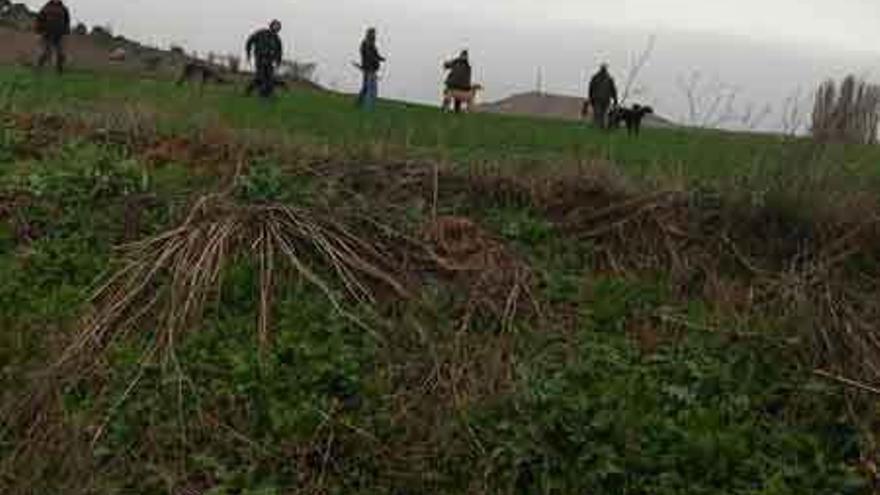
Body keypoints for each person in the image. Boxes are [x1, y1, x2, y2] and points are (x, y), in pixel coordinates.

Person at [245, 20, 283, 98]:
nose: (276, 28)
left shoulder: (277, 39)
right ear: (271, 26)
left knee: (270, 77)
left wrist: (278, 62)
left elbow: (279, 51)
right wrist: (248, 53)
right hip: (260, 58)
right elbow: (250, 41)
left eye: (278, 27)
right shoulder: (262, 33)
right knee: (261, 77)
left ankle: (267, 94)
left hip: (270, 60)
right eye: (275, 26)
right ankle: (262, 94)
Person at [34, 0, 71, 74]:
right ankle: (38, 69)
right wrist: (38, 32)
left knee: (60, 53)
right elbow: (39, 20)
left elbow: (67, 21)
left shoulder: (64, 9)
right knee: (45, 52)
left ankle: (59, 71)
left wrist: (66, 32)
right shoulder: (46, 8)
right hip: (46, 33)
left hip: (59, 34)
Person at [356, 27, 385, 110]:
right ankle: (368, 107)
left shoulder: (372, 44)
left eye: (374, 33)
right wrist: (375, 60)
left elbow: (375, 54)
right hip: (369, 69)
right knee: (371, 88)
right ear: (369, 34)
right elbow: (368, 56)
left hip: (371, 68)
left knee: (366, 87)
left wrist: (380, 58)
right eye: (373, 33)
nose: (374, 35)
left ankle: (359, 104)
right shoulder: (365, 44)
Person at [588, 63, 618, 130]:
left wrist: (615, 100)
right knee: (598, 114)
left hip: (606, 100)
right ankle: (597, 128)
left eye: (605, 68)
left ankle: (602, 128)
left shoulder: (609, 79)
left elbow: (613, 90)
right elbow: (591, 89)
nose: (604, 69)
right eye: (603, 68)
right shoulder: (595, 78)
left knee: (603, 114)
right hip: (597, 100)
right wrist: (590, 98)